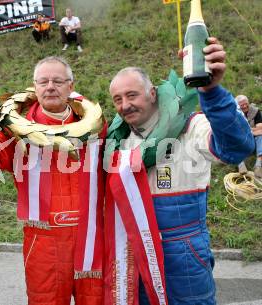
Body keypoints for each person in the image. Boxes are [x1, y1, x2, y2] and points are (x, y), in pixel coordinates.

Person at [103, 37, 254, 305]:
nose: (125, 105)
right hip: (136, 257)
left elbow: (236, 147)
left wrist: (212, 92)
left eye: (132, 95)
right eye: (118, 99)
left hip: (184, 257)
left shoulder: (191, 126)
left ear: (152, 93)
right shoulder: (117, 142)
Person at [0, 54, 105, 304]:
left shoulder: (97, 128)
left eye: (58, 81)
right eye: (43, 81)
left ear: (71, 85)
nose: (50, 86)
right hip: (43, 243)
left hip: (91, 236)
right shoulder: (17, 132)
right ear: (34, 88)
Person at [235, 94, 262, 178]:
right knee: (233, 139)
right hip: (241, 142)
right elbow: (235, 132)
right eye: (241, 105)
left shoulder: (255, 111)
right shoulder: (234, 114)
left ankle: (258, 165)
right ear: (238, 106)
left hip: (253, 141)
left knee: (261, 136)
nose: (244, 106)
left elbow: (260, 128)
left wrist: (246, 130)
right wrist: (253, 130)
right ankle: (241, 165)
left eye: (246, 103)